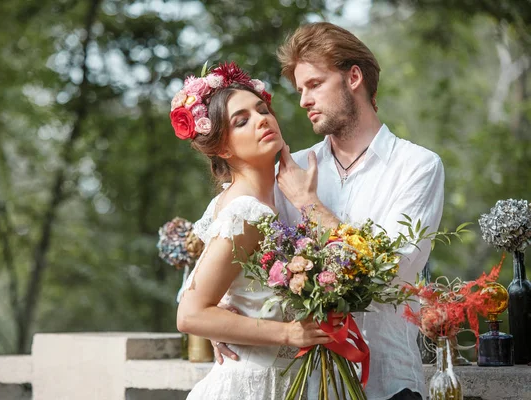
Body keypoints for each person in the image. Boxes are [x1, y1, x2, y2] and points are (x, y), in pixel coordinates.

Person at [215, 22, 444, 400]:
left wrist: (310, 205)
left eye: (314, 85)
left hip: (387, 384)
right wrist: (223, 306)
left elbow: (391, 273)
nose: (303, 100)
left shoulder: (418, 166)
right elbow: (225, 238)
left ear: (353, 77)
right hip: (302, 385)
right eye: (300, 89)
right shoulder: (288, 167)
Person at [173, 62, 335, 400]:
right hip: (250, 385)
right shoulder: (245, 212)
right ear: (223, 148)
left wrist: (226, 320)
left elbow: (215, 292)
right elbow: (190, 313)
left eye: (262, 110)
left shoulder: (251, 200)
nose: (262, 119)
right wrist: (289, 333)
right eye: (241, 121)